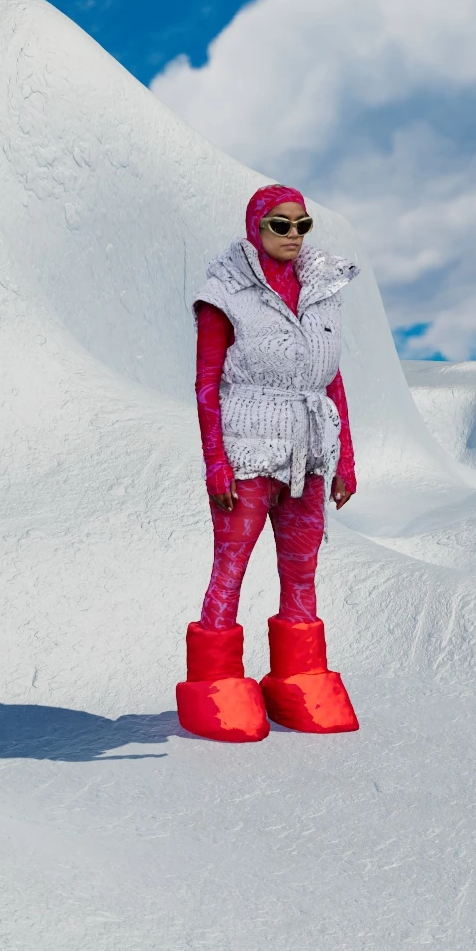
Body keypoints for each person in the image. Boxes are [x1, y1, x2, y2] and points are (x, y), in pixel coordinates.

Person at [177, 185, 363, 743]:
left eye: (302, 225)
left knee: (301, 569)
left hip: (310, 448)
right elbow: (206, 383)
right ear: (255, 227)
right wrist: (216, 462)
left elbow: (331, 378)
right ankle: (215, 684)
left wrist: (345, 460)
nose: (293, 235)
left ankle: (299, 677)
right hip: (248, 448)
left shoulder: (321, 290)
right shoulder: (227, 293)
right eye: (281, 225)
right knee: (231, 565)